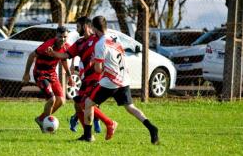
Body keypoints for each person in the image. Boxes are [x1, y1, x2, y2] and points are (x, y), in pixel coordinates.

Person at [81, 16, 159, 144]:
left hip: (111, 81)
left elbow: (98, 70)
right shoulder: (114, 37)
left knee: (88, 103)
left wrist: (94, 61)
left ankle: (88, 136)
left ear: (94, 28)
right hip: (124, 78)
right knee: (130, 107)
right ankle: (152, 128)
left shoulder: (100, 44)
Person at [47, 16, 117, 141]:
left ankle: (108, 123)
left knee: (85, 103)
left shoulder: (98, 39)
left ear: (85, 26)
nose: (77, 29)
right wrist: (53, 54)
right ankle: (88, 134)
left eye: (78, 27)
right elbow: (66, 55)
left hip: (97, 78)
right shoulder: (79, 43)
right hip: (86, 79)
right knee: (78, 105)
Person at [22, 26, 74, 132]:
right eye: (60, 37)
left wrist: (69, 77)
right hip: (40, 74)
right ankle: (46, 125)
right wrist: (26, 73)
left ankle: (41, 119)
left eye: (65, 37)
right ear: (56, 36)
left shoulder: (66, 47)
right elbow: (32, 55)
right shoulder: (48, 45)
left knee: (61, 100)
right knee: (51, 99)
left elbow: (64, 61)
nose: (62, 39)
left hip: (52, 74)